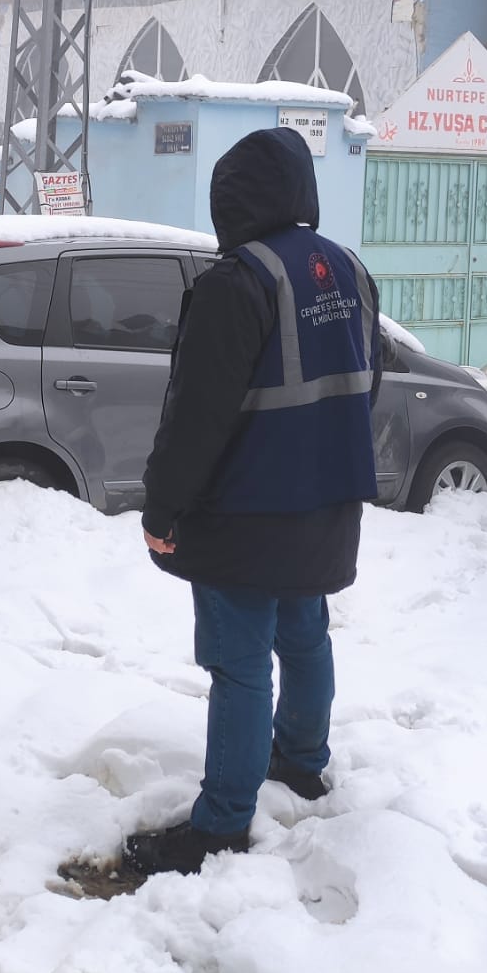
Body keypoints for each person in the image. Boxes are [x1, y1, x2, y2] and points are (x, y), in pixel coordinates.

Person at [122, 127, 381, 877]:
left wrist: (163, 506)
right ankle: (301, 758)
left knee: (238, 664)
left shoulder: (237, 280)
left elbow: (199, 412)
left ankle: (222, 824)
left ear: (233, 199)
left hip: (245, 509)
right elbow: (370, 383)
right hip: (326, 500)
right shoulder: (349, 270)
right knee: (304, 633)